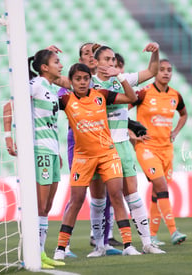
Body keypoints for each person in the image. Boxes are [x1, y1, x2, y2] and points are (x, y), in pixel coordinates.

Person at [54, 63, 142, 260]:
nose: (83, 82)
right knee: (76, 200)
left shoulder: (100, 94)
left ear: (90, 80)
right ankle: (60, 248)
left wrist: (120, 76)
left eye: (86, 78)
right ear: (72, 81)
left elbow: (132, 98)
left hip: (107, 154)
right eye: (78, 79)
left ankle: (128, 244)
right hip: (83, 158)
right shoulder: (66, 99)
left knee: (116, 195)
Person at [89, 44, 165, 255]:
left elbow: (151, 71)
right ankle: (99, 246)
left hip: (121, 143)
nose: (111, 63)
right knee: (98, 200)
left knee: (132, 194)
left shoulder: (122, 79)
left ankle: (147, 243)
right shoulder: (89, 84)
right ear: (95, 62)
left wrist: (155, 52)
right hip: (99, 145)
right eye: (106, 59)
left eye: (113, 59)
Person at [3, 49, 66, 269]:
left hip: (51, 150)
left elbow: (51, 124)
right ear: (44, 68)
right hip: (39, 151)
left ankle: (40, 253)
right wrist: (8, 137)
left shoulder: (52, 88)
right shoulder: (37, 85)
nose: (61, 65)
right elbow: (9, 105)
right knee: (39, 205)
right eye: (56, 62)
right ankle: (34, 254)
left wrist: (57, 150)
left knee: (47, 206)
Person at [131, 59, 188, 245]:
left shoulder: (175, 95)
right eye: (162, 69)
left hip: (166, 149)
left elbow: (184, 114)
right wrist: (131, 133)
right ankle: (173, 231)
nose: (166, 73)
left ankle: (152, 236)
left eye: (169, 70)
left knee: (158, 190)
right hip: (146, 147)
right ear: (155, 72)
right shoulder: (144, 92)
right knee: (161, 186)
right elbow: (121, 110)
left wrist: (176, 131)